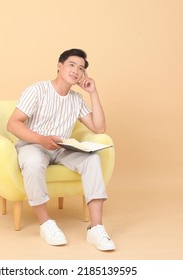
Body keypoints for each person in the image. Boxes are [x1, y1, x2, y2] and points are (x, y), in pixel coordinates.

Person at [7, 48, 115, 251]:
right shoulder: (37, 90)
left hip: (62, 148)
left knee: (92, 159)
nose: (76, 70)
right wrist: (41, 139)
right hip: (34, 144)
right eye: (72, 65)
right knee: (31, 162)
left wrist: (93, 92)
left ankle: (96, 228)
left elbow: (99, 128)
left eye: (81, 68)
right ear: (59, 66)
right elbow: (12, 124)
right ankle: (46, 223)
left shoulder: (76, 99)